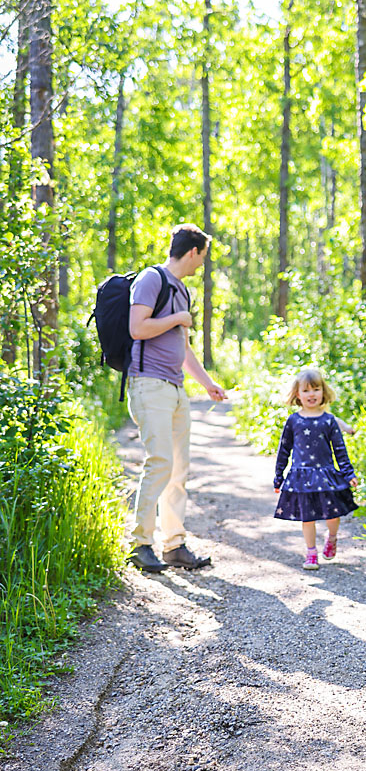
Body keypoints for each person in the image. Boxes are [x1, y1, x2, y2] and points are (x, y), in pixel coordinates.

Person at [127, 223, 227, 573]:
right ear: (193, 252)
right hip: (148, 384)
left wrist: (208, 384)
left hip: (175, 388)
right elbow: (137, 328)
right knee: (159, 462)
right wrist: (176, 319)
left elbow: (183, 349)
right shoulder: (151, 279)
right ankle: (140, 544)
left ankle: (174, 545)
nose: (202, 264)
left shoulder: (182, 291)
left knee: (179, 470)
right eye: (203, 257)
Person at [274, 368, 358, 570]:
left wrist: (348, 473)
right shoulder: (293, 421)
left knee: (333, 515)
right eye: (306, 390)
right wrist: (279, 476)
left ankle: (332, 537)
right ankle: (311, 552)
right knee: (307, 517)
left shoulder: (328, 420)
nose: (311, 394)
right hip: (301, 477)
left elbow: (340, 449)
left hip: (325, 474)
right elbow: (284, 450)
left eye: (316, 389)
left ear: (323, 391)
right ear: (297, 394)